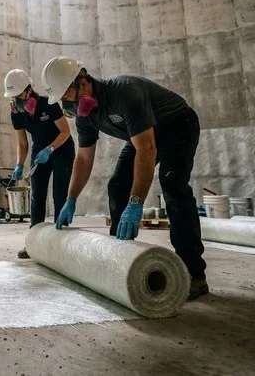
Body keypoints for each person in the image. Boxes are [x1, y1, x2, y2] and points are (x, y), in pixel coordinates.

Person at [40, 56, 208, 300]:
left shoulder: (125, 92)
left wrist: (136, 202)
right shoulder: (85, 115)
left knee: (173, 185)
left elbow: (147, 149)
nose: (66, 103)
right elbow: (84, 158)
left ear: (83, 83)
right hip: (141, 135)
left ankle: (194, 274)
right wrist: (71, 199)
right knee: (117, 185)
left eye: (66, 95)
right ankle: (122, 260)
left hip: (177, 126)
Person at [4, 69, 75, 259]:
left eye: (18, 95)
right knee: (37, 196)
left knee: (60, 195)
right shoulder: (16, 114)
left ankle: (62, 244)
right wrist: (19, 164)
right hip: (39, 149)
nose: (16, 101)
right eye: (12, 97)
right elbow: (22, 143)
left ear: (29, 90)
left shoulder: (48, 104)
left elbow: (65, 132)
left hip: (62, 149)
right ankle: (33, 243)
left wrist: (50, 150)